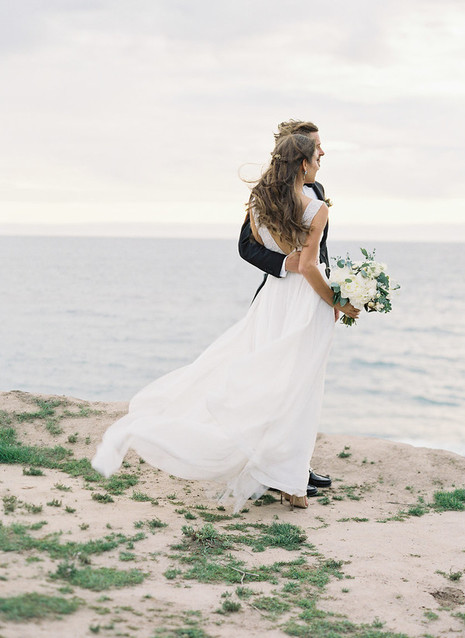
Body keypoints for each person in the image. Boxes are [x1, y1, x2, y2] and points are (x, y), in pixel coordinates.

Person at [91, 133, 359, 511]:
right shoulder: (316, 208)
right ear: (302, 163)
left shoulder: (260, 205)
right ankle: (290, 484)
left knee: (274, 383)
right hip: (303, 301)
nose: (321, 158)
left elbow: (291, 256)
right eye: (317, 153)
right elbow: (309, 265)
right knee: (299, 388)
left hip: (273, 301)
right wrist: (338, 300)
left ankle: (284, 476)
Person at [238, 120, 335, 497]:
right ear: (299, 155)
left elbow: (318, 252)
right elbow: (247, 247)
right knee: (281, 384)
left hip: (309, 293)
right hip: (280, 293)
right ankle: (274, 469)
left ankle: (296, 468)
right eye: (316, 147)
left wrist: (333, 288)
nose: (322, 153)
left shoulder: (317, 191)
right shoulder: (265, 195)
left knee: (300, 384)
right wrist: (286, 266)